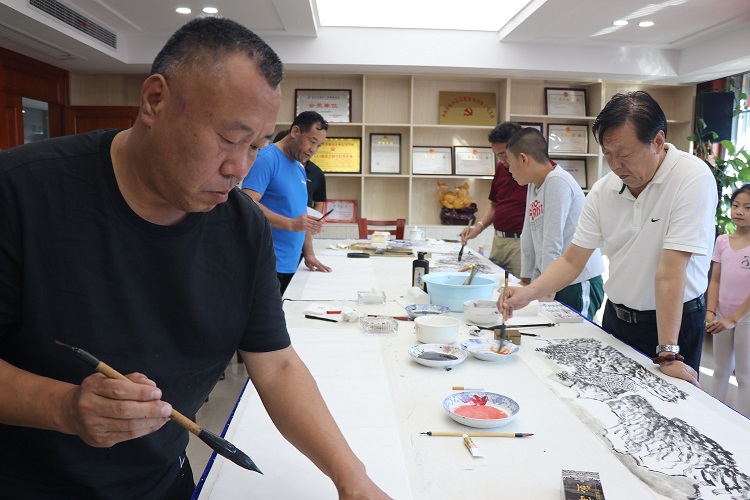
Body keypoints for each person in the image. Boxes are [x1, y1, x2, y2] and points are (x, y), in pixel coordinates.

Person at [0, 17, 388, 500]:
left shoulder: (243, 227)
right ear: (154, 100)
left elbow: (276, 365)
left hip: (163, 480)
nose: (238, 168)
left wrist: (352, 479)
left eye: (256, 146)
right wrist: (63, 407)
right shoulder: (21, 192)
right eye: (228, 137)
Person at [501, 91, 717, 386]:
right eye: (607, 154)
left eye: (624, 155)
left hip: (673, 326)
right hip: (618, 319)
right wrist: (528, 293)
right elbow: (572, 260)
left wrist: (668, 352)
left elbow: (670, 272)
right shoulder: (604, 190)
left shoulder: (692, 178)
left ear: (657, 141)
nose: (615, 165)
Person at [505, 128, 605, 320]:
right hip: (553, 279)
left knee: (575, 335)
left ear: (523, 159)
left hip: (578, 282)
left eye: (509, 163)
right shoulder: (534, 184)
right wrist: (525, 280)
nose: (509, 170)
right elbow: (528, 233)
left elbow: (553, 241)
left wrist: (546, 289)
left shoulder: (557, 182)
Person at [242, 111, 332, 295]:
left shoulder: (299, 167)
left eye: (318, 145)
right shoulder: (266, 159)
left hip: (292, 264)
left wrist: (309, 254)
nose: (313, 149)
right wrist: (291, 224)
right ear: (295, 131)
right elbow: (248, 202)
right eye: (312, 141)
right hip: (267, 264)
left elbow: (301, 214)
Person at [460, 122, 526, 277]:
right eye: (498, 155)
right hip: (499, 240)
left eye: (503, 154)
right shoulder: (501, 168)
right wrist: (478, 228)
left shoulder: (532, 171)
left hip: (521, 243)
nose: (502, 159)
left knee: (520, 286)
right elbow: (495, 204)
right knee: (496, 284)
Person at [706, 184, 750, 417]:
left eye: (748, 207)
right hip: (722, 314)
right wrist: (711, 311)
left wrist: (734, 319)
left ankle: (742, 425)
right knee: (720, 370)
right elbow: (715, 281)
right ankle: (713, 417)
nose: (739, 211)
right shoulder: (722, 241)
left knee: (744, 376)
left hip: (745, 318)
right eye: (736, 205)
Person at [273, 129, 328, 212]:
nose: (313, 150)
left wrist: (312, 218)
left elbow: (319, 203)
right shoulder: (270, 163)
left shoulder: (316, 172)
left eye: (318, 145)